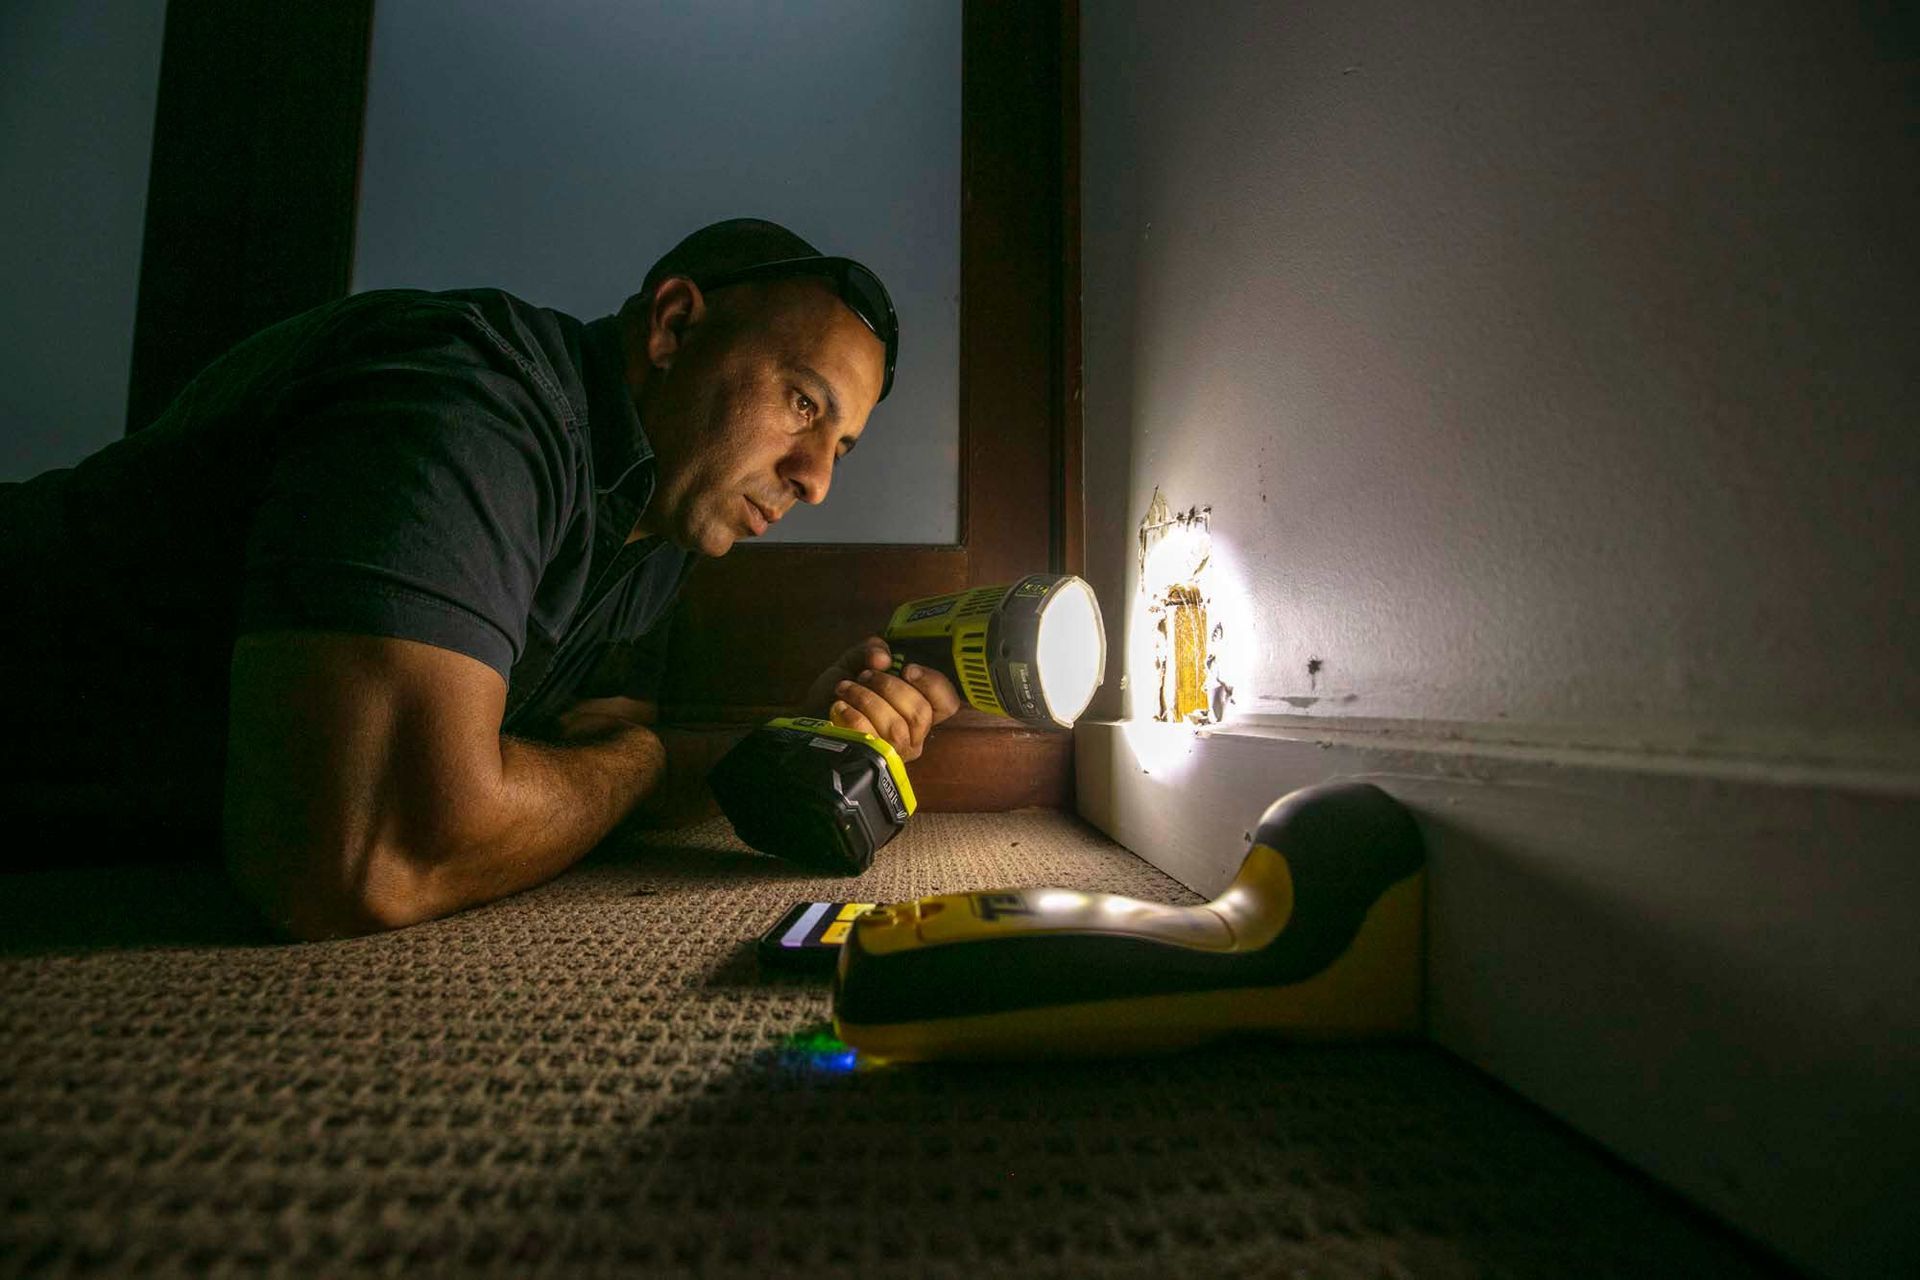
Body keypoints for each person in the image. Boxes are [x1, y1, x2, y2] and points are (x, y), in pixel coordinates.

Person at [0, 218, 961, 938]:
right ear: (673, 328)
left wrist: (786, 734)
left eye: (841, 445)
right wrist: (640, 765)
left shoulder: (658, 517)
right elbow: (365, 858)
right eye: (803, 403)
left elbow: (600, 742)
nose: (818, 479)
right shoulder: (472, 404)